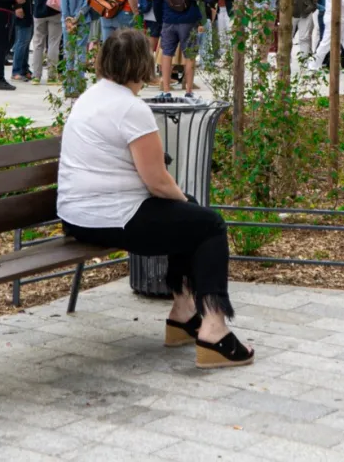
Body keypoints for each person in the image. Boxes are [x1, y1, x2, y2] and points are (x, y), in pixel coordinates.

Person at [57, 28, 254, 368]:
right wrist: (186, 204)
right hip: (112, 218)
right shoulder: (130, 109)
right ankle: (214, 329)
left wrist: (183, 204)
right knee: (207, 223)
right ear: (141, 64)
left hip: (77, 216)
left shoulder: (91, 96)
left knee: (187, 214)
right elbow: (158, 183)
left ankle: (184, 313)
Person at [58, 0, 100, 89]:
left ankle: (68, 85)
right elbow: (88, 0)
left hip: (67, 20)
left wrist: (68, 18)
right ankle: (79, 83)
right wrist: (78, 17)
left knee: (68, 51)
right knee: (81, 50)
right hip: (84, 19)